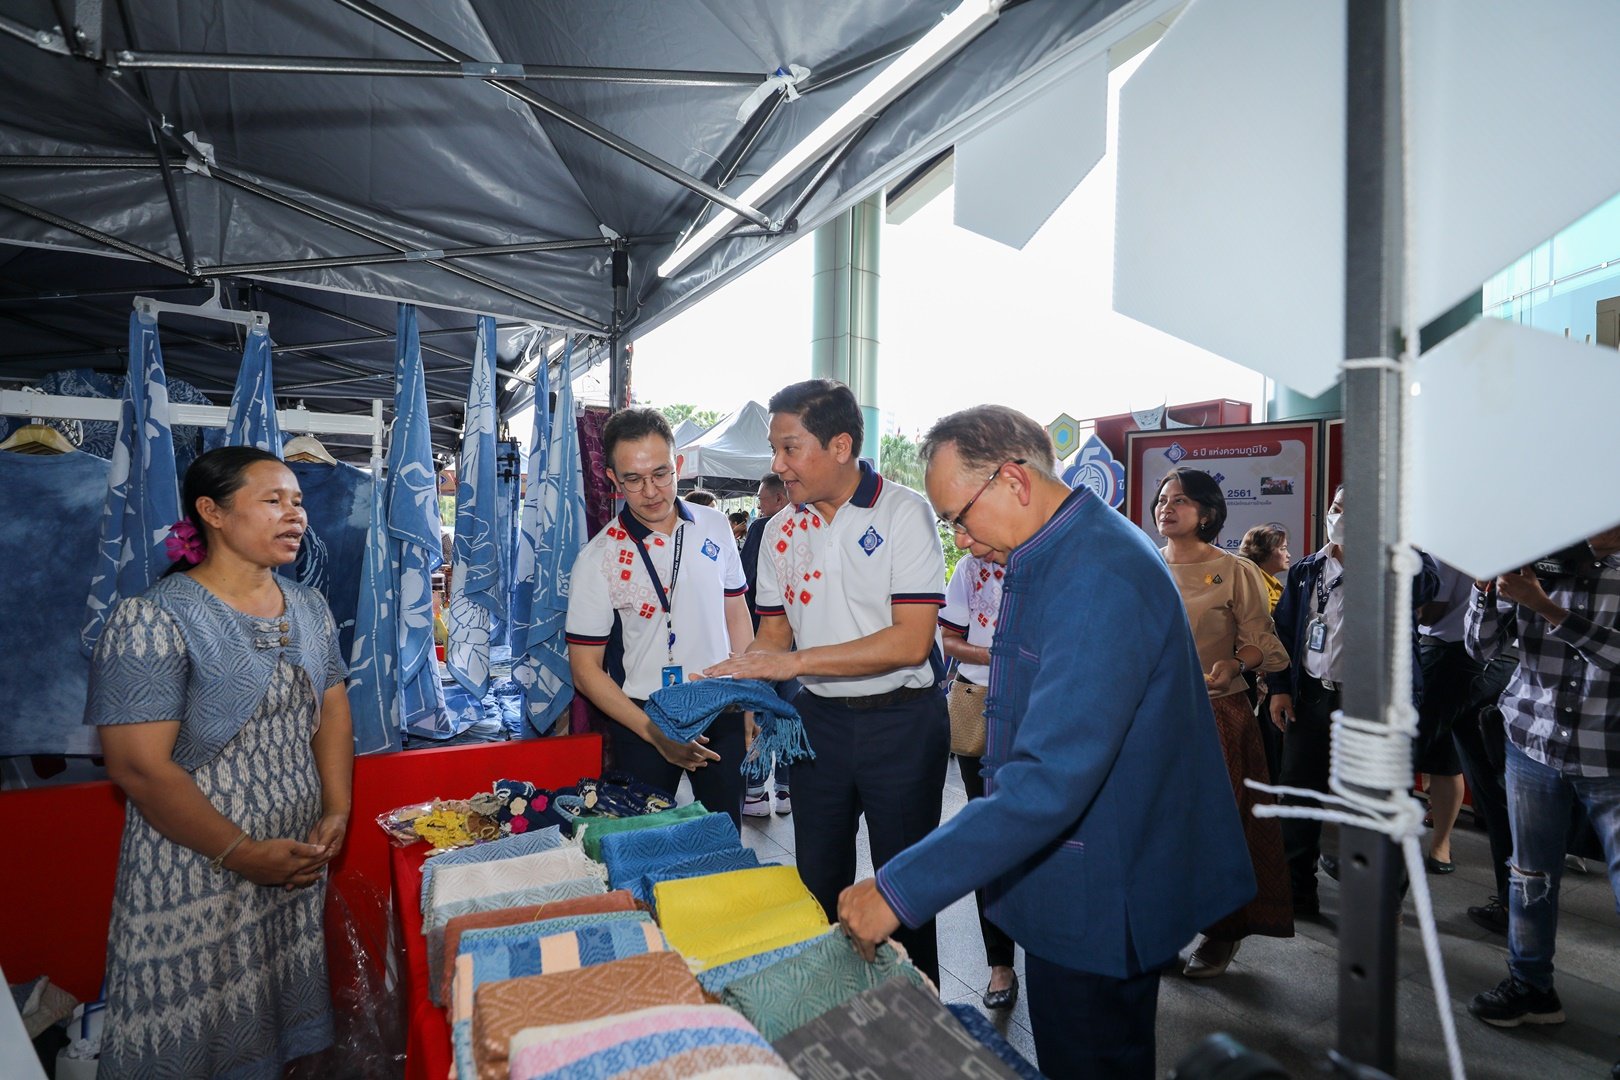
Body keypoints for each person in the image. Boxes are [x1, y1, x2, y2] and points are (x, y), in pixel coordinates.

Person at [838, 405, 1254, 1080]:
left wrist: (898, 889)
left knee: (1091, 1057)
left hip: (1105, 887)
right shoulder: (1066, 548)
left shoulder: (1097, 575)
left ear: (1013, 480)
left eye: (960, 518)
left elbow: (1049, 778)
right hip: (1083, 869)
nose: (963, 541)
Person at [85, 446, 354, 1079]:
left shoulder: (309, 606)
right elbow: (138, 767)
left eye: (298, 502)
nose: (295, 515)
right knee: (192, 1026)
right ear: (212, 512)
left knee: (273, 1017)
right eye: (272, 501)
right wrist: (240, 852)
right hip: (196, 866)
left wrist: (337, 808)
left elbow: (333, 709)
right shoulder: (151, 618)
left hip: (291, 858)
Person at [706, 379, 949, 986]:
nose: (777, 464)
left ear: (840, 446)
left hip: (903, 722)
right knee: (818, 879)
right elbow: (773, 636)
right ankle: (827, 1005)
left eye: (789, 448)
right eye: (774, 449)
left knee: (903, 888)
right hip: (819, 722)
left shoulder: (903, 512)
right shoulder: (778, 530)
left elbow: (911, 641)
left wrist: (790, 664)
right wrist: (733, 679)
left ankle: (916, 1016)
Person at [1464, 525, 1620, 1041]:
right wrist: (1485, 589)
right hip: (1532, 741)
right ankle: (1531, 986)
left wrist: (1547, 608)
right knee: (1530, 875)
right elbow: (1481, 648)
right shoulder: (1541, 557)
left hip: (1611, 753)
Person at [566, 408, 755, 830]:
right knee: (643, 842)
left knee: (723, 836)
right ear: (613, 479)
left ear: (678, 465)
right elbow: (584, 670)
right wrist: (655, 733)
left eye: (661, 474)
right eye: (633, 479)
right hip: (643, 719)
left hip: (720, 706)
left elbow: (736, 613)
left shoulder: (715, 525)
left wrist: (750, 699)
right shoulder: (599, 557)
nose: (651, 491)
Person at [1266, 485, 1438, 916]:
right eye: (1336, 508)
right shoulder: (1307, 569)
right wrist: (1280, 687)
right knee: (1299, 797)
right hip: (1312, 698)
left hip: (1374, 708)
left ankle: (1381, 901)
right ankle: (1297, 892)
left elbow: (1426, 586)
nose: (1340, 517)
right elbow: (1283, 633)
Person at [1155, 468, 1293, 977]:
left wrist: (1236, 664)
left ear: (1208, 513)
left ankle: (1223, 930)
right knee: (1159, 826)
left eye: (1181, 500)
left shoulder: (1236, 570)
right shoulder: (1145, 563)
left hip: (1216, 713)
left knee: (1217, 826)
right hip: (1153, 714)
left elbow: (1263, 643)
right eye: (1163, 499)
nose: (1166, 507)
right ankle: (1163, 925)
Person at [939, 548, 1019, 1008]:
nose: (963, 536)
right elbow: (949, 639)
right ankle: (1000, 962)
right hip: (983, 705)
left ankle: (1052, 944)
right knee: (989, 834)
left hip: (1047, 702)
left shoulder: (1052, 558)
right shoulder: (970, 569)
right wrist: (1000, 655)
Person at [1415, 559, 1481, 875]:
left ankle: (1380, 849)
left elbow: (1431, 612)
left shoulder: (1440, 547)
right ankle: (1441, 846)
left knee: (1404, 751)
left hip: (1443, 651)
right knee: (1446, 756)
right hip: (1484, 654)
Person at [739, 472, 794, 817]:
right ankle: (786, 789)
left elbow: (746, 583)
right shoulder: (810, 523)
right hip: (800, 644)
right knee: (789, 712)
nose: (759, 506)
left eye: (761, 499)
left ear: (777, 498)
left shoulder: (763, 528)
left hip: (765, 636)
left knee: (759, 711)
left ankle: (756, 790)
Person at [1239, 523, 1291, 612]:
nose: (1288, 555)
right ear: (1263, 551)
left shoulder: (1273, 584)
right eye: (1282, 548)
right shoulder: (1253, 584)